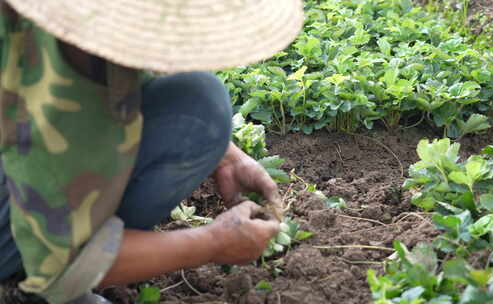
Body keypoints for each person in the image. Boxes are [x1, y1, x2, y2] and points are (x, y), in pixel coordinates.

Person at [0, 1, 304, 303]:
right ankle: (31, 283)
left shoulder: (59, 27)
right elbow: (59, 268)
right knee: (59, 270)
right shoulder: (54, 115)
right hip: (23, 192)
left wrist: (229, 158)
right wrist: (213, 242)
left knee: (200, 105)